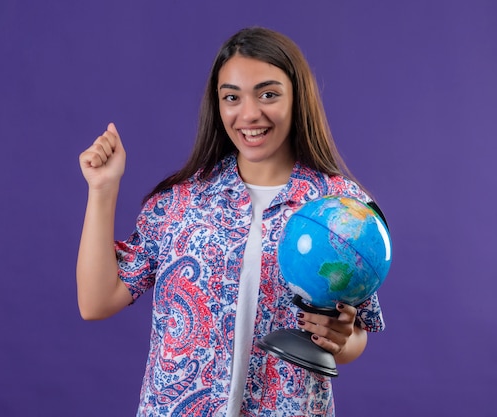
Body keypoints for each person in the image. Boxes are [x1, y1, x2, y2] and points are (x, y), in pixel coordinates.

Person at [77, 27, 385, 417]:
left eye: (268, 94)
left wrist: (340, 340)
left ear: (298, 99)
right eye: (232, 98)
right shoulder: (180, 201)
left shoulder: (343, 209)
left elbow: (356, 334)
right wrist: (102, 189)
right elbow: (96, 301)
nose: (249, 114)